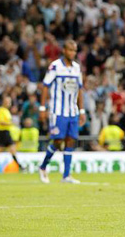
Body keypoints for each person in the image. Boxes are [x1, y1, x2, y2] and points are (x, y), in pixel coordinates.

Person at [38, 40, 86, 184]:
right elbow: (45, 86)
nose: (72, 53)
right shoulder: (55, 66)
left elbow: (80, 90)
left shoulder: (77, 68)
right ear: (64, 50)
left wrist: (82, 110)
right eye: (70, 50)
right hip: (58, 111)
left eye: (75, 50)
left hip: (73, 111)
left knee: (71, 140)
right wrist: (42, 108)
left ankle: (66, 176)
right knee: (58, 141)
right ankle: (43, 166)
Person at [0, 96, 23, 169]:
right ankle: (20, 166)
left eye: (9, 102)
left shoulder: (6, 111)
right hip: (3, 132)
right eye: (7, 101)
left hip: (6, 132)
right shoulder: (1, 110)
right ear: (3, 102)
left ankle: (19, 166)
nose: (9, 103)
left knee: (11, 149)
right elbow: (0, 122)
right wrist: (11, 123)